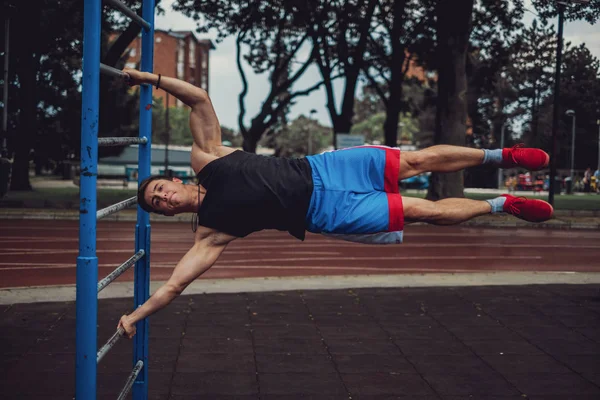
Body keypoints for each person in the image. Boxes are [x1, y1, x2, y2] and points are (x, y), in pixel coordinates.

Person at [117, 68, 554, 338]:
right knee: (424, 211)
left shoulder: (206, 158)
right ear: (166, 213)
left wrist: (148, 80)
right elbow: (176, 285)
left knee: (416, 161)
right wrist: (136, 315)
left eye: (160, 191)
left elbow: (198, 97)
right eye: (158, 206)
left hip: (328, 170)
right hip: (330, 214)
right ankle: (502, 206)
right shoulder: (210, 233)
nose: (164, 200)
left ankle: (502, 156)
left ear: (174, 180)